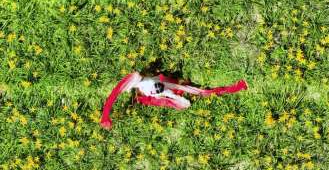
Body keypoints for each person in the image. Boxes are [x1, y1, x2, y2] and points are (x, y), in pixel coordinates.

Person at [100, 72, 248, 129]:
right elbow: (115, 93)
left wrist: (106, 117)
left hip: (168, 87)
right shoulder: (147, 89)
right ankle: (238, 87)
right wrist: (105, 117)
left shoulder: (139, 81)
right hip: (168, 89)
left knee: (201, 92)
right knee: (201, 93)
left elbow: (114, 94)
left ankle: (238, 87)